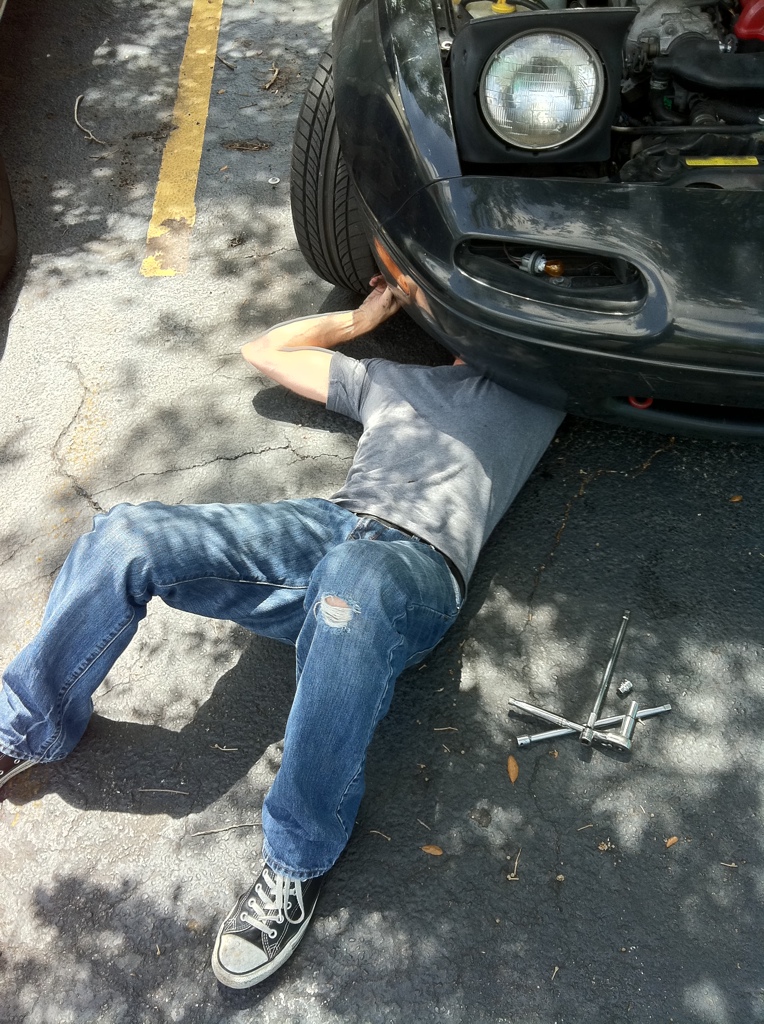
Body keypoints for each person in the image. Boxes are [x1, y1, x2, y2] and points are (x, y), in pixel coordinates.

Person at [0, 277, 564, 989]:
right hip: (327, 529)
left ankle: (298, 859)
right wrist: (359, 319)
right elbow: (265, 351)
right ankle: (24, 729)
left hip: (413, 571)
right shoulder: (392, 381)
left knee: (352, 583)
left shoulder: (545, 383)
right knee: (127, 535)